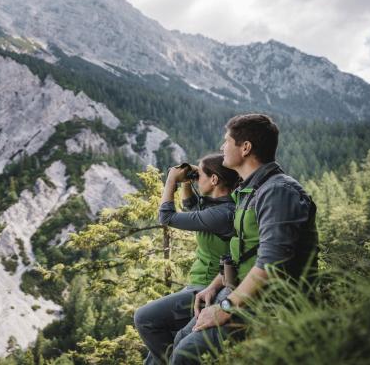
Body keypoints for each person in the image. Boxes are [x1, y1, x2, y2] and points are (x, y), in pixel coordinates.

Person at [169, 114, 318, 365]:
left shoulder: (277, 191)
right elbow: (243, 251)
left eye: (226, 141)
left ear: (245, 148)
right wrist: (216, 285)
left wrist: (225, 307)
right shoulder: (249, 192)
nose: (221, 147)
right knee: (180, 340)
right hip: (239, 294)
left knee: (185, 354)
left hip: (270, 304)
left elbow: (273, 264)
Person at [134, 153, 240, 364]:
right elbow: (193, 207)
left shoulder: (223, 213)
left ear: (215, 180)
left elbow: (166, 217)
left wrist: (171, 180)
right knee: (152, 358)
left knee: (145, 319)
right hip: (197, 285)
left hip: (208, 287)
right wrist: (189, 181)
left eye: (200, 175)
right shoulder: (218, 206)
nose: (196, 178)